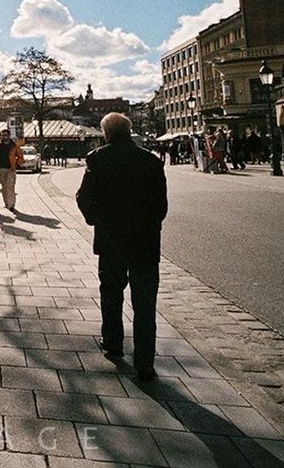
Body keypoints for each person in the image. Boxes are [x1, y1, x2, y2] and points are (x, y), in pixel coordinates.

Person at [76, 112, 168, 383]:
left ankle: (114, 343)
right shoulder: (151, 161)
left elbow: (84, 197)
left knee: (112, 293)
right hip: (145, 241)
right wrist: (150, 224)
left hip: (111, 241)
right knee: (145, 303)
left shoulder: (97, 159)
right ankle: (145, 363)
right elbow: (161, 205)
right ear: (129, 131)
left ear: (106, 133)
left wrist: (97, 221)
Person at [0, 132, 23, 211]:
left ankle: (11, 204)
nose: (4, 136)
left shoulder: (14, 146)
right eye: (2, 135)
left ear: (9, 136)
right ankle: (6, 202)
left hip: (11, 169)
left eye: (5, 135)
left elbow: (20, 156)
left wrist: (16, 164)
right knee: (4, 186)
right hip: (1, 169)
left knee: (10, 186)